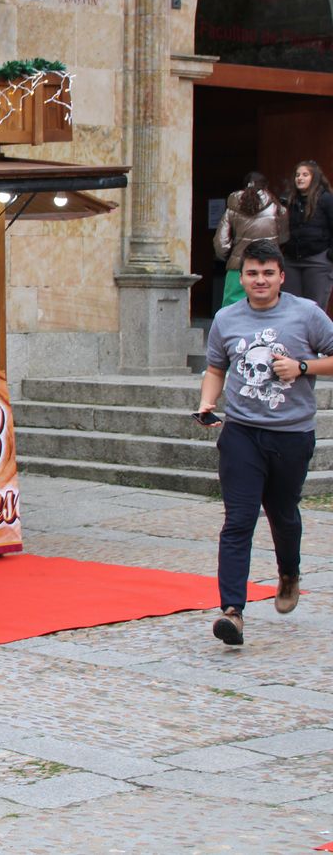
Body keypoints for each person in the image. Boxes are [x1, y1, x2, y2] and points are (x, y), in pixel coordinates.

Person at [197, 238, 333, 645]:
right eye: (252, 273)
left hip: (291, 434)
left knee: (283, 512)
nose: (260, 280)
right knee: (238, 520)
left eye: (267, 273)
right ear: (242, 277)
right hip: (241, 432)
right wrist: (206, 402)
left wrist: (302, 365)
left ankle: (288, 572)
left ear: (281, 277)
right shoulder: (226, 318)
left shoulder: (306, 314)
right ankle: (232, 611)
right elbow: (215, 368)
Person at [214, 172, 288, 308]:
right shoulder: (278, 209)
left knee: (232, 308)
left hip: (238, 268)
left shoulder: (232, 209)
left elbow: (221, 243)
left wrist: (229, 257)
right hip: (268, 266)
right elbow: (284, 238)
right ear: (266, 186)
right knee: (267, 306)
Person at [280, 160, 333, 312]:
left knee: (315, 308)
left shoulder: (326, 199)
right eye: (297, 175)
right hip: (292, 260)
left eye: (305, 174)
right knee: (291, 306)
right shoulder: (290, 200)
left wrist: (330, 255)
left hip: (318, 260)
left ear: (314, 177)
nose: (300, 178)